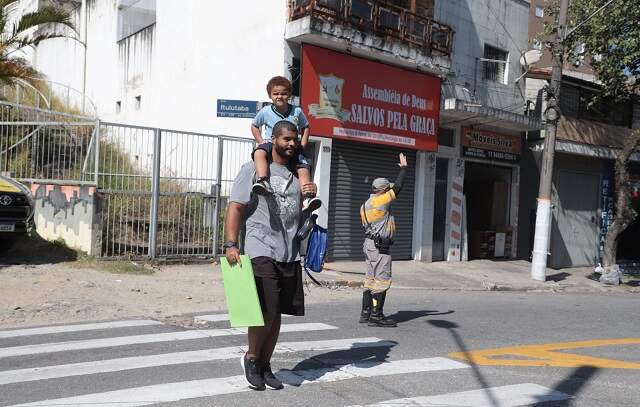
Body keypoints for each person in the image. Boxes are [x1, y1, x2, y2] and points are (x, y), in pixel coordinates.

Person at [224, 120, 316, 391]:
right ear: (273, 139)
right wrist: (231, 244)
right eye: (286, 138)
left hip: (288, 251)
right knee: (266, 309)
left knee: (277, 314)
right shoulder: (253, 169)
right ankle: (251, 358)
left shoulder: (299, 173)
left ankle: (265, 363)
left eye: (295, 139)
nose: (291, 143)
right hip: (259, 247)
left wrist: (311, 194)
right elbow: (236, 207)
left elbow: (301, 211)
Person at [251, 75, 321, 214]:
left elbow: (306, 126)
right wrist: (260, 140)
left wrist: (302, 144)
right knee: (259, 152)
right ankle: (262, 181)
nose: (279, 97)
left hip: (292, 146)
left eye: (283, 93)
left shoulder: (297, 111)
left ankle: (307, 198)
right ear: (270, 95)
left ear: (289, 95)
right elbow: (254, 125)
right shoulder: (265, 111)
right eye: (275, 94)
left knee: (303, 166)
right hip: (272, 144)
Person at [359, 153, 408, 328]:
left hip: (369, 244)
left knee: (370, 279)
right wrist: (403, 169)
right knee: (381, 281)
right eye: (388, 190)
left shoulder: (365, 204)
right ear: (383, 190)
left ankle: (365, 313)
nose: (390, 192)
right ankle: (376, 316)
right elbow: (399, 187)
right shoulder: (381, 201)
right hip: (380, 247)